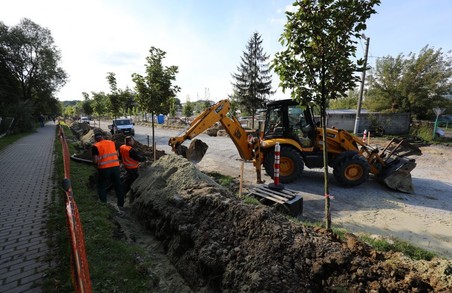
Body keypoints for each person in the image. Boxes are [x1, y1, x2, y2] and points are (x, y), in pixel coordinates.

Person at [92, 132, 125, 215]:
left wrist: (96, 162)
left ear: (95, 139)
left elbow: (95, 161)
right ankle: (121, 205)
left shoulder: (95, 146)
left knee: (101, 186)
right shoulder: (111, 143)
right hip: (115, 167)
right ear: (103, 137)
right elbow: (117, 154)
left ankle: (104, 204)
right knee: (118, 185)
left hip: (104, 169)